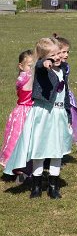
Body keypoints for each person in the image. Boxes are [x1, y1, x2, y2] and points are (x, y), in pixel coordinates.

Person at [3, 38, 73, 199]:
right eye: (52, 55)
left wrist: (68, 114)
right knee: (39, 151)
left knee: (57, 152)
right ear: (42, 57)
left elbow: (66, 94)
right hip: (43, 115)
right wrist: (45, 62)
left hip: (58, 114)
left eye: (58, 53)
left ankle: (53, 187)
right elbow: (40, 65)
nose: (57, 57)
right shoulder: (40, 68)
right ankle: (36, 186)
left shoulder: (62, 70)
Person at [0, 49, 37, 180]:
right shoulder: (23, 77)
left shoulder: (33, 76)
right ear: (21, 66)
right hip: (23, 112)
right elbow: (26, 86)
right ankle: (15, 168)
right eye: (29, 65)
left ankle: (29, 167)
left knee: (31, 141)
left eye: (34, 65)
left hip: (33, 111)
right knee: (17, 139)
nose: (32, 68)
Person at [52, 35, 77, 147]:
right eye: (63, 52)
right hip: (53, 100)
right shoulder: (49, 67)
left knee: (65, 123)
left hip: (64, 97)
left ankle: (60, 149)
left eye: (67, 52)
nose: (66, 55)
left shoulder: (65, 67)